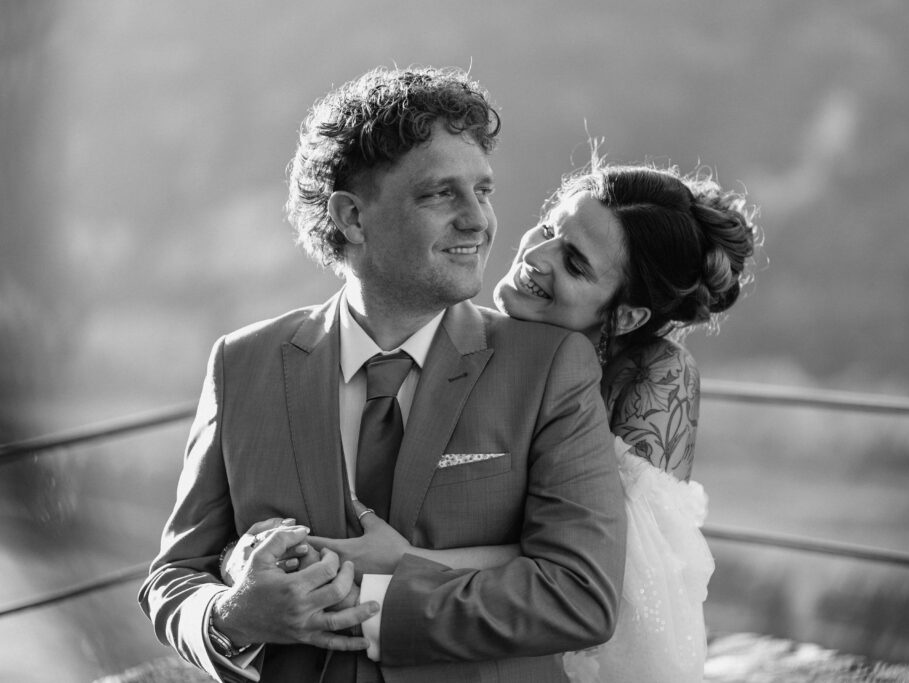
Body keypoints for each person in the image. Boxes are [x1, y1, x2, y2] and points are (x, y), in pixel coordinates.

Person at [139, 66, 627, 683]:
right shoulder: (242, 364)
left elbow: (580, 595)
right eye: (440, 194)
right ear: (352, 217)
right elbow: (174, 576)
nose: (478, 220)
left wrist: (376, 604)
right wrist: (231, 615)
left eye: (483, 190)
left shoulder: (550, 366)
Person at [240, 157, 762, 681]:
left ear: (626, 315)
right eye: (549, 229)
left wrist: (406, 561)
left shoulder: (656, 377)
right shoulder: (471, 339)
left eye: (575, 263)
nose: (535, 255)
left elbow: (613, 568)